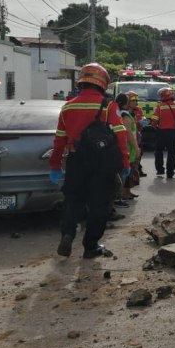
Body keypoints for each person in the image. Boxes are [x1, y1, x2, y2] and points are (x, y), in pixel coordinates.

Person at [49, 63, 130, 259]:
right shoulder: (109, 106)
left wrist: (55, 165)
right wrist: (126, 162)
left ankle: (68, 234)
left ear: (81, 82)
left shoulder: (67, 106)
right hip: (102, 163)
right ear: (102, 83)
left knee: (73, 201)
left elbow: (59, 139)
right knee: (99, 204)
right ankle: (91, 245)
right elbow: (121, 135)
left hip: (76, 161)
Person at [151, 87, 175, 178]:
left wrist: (153, 127)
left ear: (163, 96)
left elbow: (154, 121)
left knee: (158, 151)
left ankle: (160, 170)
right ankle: (170, 172)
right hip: (173, 133)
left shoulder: (160, 107)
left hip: (161, 132)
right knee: (172, 153)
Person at [115, 93, 140, 203]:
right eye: (132, 101)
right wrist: (136, 146)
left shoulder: (124, 113)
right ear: (127, 103)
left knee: (131, 170)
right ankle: (123, 194)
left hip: (129, 147)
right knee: (127, 170)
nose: (135, 103)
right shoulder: (124, 115)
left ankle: (127, 192)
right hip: (128, 147)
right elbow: (128, 132)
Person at [126, 91, 147, 177]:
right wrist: (138, 123)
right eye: (133, 100)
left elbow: (140, 118)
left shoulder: (139, 110)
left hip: (137, 136)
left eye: (136, 100)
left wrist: (143, 121)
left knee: (138, 155)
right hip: (128, 138)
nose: (136, 102)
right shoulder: (124, 111)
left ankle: (136, 171)